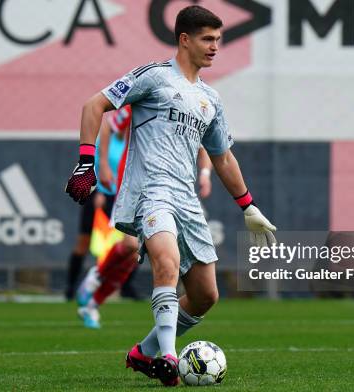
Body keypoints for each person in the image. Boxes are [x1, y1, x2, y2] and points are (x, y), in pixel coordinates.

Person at [65, 5, 276, 386]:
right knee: (166, 260)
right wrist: (86, 162)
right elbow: (94, 104)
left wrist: (248, 205)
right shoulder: (154, 77)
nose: (215, 47)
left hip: (186, 199)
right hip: (150, 192)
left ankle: (144, 352)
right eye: (207, 39)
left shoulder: (210, 98)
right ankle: (168, 355)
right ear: (184, 39)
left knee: (205, 294)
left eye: (218, 39)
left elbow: (223, 156)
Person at [77, 148, 214, 329]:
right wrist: (101, 168)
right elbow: (107, 126)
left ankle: (93, 303)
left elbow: (204, 147)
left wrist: (204, 173)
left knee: (134, 254)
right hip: (136, 185)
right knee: (131, 244)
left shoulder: (188, 122)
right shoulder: (141, 121)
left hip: (171, 192)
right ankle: (96, 278)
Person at [64, 105, 131, 301]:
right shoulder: (107, 141)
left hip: (123, 197)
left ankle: (125, 287)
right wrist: (99, 191)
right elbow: (92, 166)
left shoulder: (135, 141)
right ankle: (70, 288)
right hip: (101, 195)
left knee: (130, 244)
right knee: (84, 242)